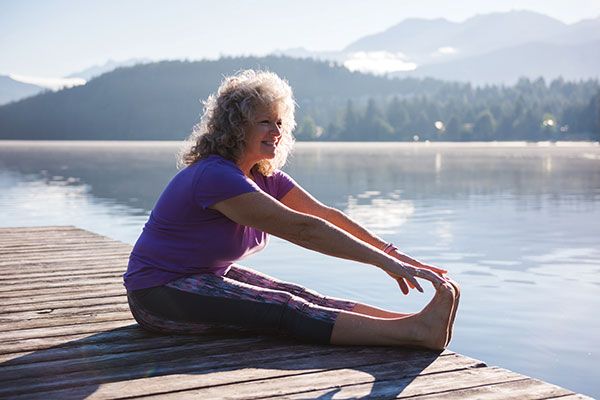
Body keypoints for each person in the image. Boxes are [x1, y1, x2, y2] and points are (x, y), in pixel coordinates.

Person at [124, 69, 459, 349]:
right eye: (264, 122)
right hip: (158, 295)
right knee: (284, 308)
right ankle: (414, 333)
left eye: (280, 122)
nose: (277, 131)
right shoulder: (214, 176)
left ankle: (413, 324)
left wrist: (395, 255)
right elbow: (303, 229)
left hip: (200, 277)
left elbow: (324, 216)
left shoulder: (262, 176)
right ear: (236, 127)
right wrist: (385, 263)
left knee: (296, 293)